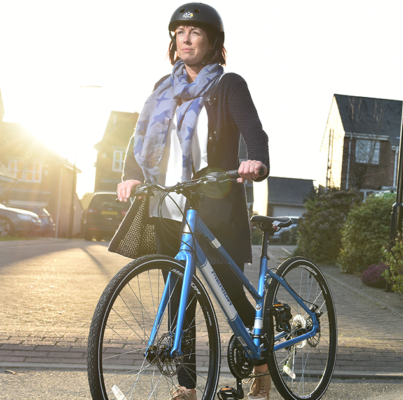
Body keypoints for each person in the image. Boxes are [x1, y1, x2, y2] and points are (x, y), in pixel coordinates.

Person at [116, 3, 271, 399]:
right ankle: (186, 388)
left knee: (232, 292)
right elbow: (142, 141)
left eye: (195, 32)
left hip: (215, 204)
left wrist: (255, 161)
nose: (185, 38)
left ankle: (262, 368)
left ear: (212, 41)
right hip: (169, 205)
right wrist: (131, 175)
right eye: (179, 32)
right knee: (178, 299)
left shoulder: (228, 86)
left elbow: (255, 133)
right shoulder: (161, 90)